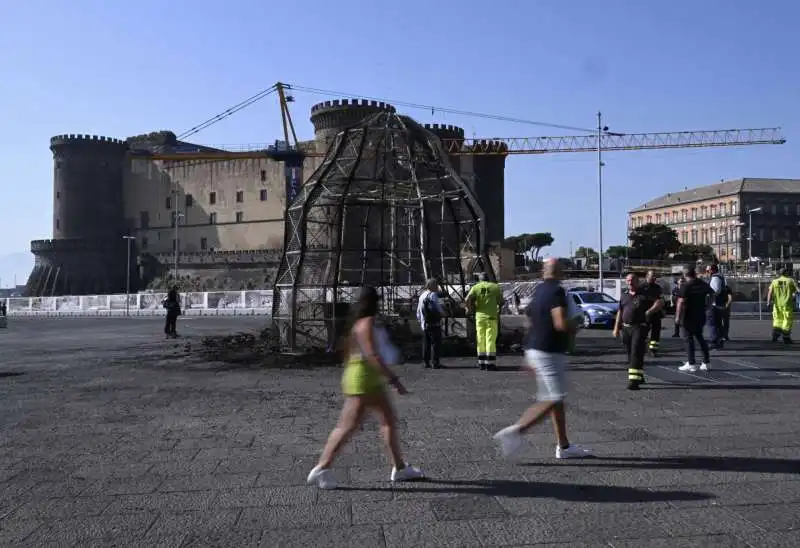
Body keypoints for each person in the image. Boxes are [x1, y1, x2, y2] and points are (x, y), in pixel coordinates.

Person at [307, 286, 424, 489]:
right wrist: (393, 379)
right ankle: (321, 468)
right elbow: (372, 355)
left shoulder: (357, 323)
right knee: (349, 426)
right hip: (365, 379)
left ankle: (400, 467)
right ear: (374, 302)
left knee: (386, 421)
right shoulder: (367, 323)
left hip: (363, 378)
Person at [492, 258, 591, 460]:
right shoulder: (557, 291)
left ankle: (563, 446)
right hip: (550, 351)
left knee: (556, 399)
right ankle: (516, 431)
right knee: (552, 398)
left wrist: (529, 354)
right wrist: (577, 323)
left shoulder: (539, 291)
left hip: (536, 349)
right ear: (560, 271)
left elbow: (530, 319)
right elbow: (560, 323)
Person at [613, 273, 663, 390]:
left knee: (636, 351)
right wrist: (616, 328)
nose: (630, 283)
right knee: (630, 353)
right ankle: (639, 376)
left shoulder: (644, 294)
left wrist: (649, 311)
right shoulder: (624, 295)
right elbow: (620, 311)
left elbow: (659, 302)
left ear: (637, 281)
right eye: (628, 280)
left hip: (639, 327)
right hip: (626, 328)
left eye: (632, 280)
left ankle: (633, 381)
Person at [676, 267, 712, 372]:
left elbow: (680, 302)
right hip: (700, 314)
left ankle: (691, 363)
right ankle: (706, 362)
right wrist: (709, 306)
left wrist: (677, 317)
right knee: (700, 338)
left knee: (688, 339)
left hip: (688, 315)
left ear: (685, 275)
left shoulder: (685, 286)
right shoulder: (702, 283)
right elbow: (712, 293)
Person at [465, 272, 503, 371]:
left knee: (481, 339)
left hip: (479, 317)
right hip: (491, 317)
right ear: (488, 278)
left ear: (480, 279)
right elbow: (501, 301)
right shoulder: (495, 287)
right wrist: (498, 308)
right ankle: (490, 364)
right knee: (490, 339)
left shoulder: (475, 287)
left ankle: (481, 363)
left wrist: (469, 309)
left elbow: (467, 299)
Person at [416, 278, 444, 369]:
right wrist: (443, 314)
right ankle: (435, 363)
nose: (437, 286)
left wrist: (421, 321)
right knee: (435, 343)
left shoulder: (422, 295)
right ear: (431, 286)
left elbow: (418, 311)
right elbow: (438, 308)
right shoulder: (433, 295)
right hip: (434, 323)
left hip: (425, 324)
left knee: (426, 344)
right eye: (435, 285)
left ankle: (426, 362)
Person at [766, 268, 798, 344]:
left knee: (777, 320)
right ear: (786, 273)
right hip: (787, 304)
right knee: (787, 321)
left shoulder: (774, 281)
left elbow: (770, 292)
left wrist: (768, 302)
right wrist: (793, 293)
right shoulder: (791, 281)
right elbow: (798, 290)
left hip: (777, 305)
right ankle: (786, 337)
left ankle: (775, 336)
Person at [642, 270, 664, 356]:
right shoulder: (641, 287)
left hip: (656, 314)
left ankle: (653, 350)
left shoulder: (657, 288)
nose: (654, 277)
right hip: (645, 314)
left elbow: (661, 300)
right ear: (647, 276)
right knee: (643, 332)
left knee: (656, 333)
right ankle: (642, 348)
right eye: (652, 276)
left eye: (655, 276)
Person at [706, 264, 726, 350]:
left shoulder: (715, 278)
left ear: (712, 270)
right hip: (719, 304)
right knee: (717, 324)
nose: (706, 273)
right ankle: (719, 340)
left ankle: (713, 341)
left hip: (714, 304)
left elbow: (715, 291)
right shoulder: (720, 277)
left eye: (708, 271)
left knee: (712, 323)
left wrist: (706, 294)